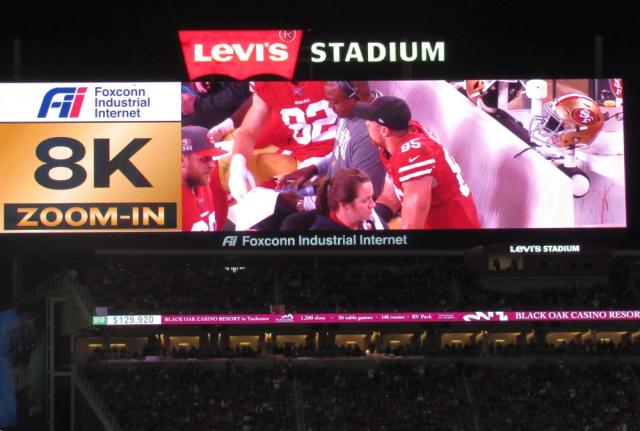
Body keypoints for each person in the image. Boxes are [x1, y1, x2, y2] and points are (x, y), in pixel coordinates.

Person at [353, 96, 480, 230]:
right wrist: (370, 222)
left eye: (370, 121)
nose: (366, 123)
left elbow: (412, 226)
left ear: (384, 130)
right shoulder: (395, 141)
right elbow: (391, 197)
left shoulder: (413, 155)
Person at [228, 81, 338, 200]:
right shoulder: (267, 80)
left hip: (345, 151)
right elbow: (248, 131)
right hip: (304, 159)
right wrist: (237, 164)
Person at [181, 126, 227, 231]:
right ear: (182, 161)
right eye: (204, 159)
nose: (213, 165)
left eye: (211, 158)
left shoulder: (202, 181)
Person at [310, 168, 379, 231]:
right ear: (344, 205)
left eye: (371, 197)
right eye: (365, 200)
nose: (373, 204)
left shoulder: (369, 221)